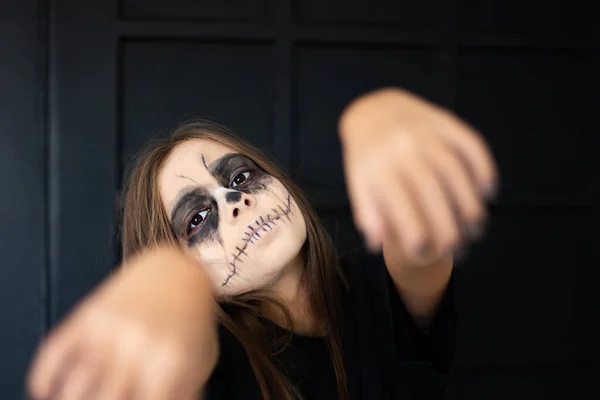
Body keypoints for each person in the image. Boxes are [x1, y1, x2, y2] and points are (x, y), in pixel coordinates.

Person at [27, 87, 498, 400]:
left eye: (241, 175)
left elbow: (420, 242)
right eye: (196, 219)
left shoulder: (372, 288)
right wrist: (168, 277)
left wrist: (375, 114)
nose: (234, 201)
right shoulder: (217, 362)